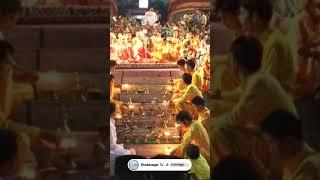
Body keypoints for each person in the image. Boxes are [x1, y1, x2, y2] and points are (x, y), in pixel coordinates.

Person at [212, 37, 296, 180]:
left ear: (236, 63)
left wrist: (211, 121)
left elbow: (235, 119)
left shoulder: (258, 83)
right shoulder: (258, 79)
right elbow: (240, 95)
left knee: (219, 132)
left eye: (230, 59)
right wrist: (219, 96)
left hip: (280, 145)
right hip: (273, 138)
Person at [241, 0, 297, 94]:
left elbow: (264, 87)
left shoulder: (273, 43)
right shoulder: (262, 40)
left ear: (255, 17)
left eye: (243, 13)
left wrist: (223, 95)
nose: (240, 18)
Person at [261, 110, 320, 180]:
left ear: (289, 141)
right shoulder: (292, 162)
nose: (269, 149)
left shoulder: (309, 169)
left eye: (270, 142)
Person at [110, 103, 136, 176]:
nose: (119, 111)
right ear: (112, 111)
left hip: (114, 151)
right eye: (117, 109)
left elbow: (113, 141)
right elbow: (112, 147)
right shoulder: (110, 125)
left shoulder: (111, 121)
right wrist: (129, 152)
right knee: (133, 154)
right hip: (112, 156)